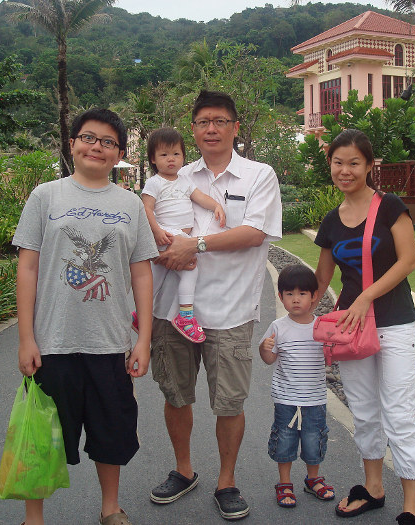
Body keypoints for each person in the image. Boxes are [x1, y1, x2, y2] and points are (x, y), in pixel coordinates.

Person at [12, 108, 159, 525]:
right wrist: (26, 337)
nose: (97, 146)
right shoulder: (46, 196)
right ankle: (34, 517)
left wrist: (143, 340)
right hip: (52, 341)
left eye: (108, 142)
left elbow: (142, 273)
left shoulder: (129, 204)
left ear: (118, 154)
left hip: (109, 342)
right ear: (73, 143)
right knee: (41, 434)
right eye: (89, 137)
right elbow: (27, 266)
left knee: (111, 431)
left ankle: (110, 508)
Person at [148, 90, 282, 521]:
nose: (211, 128)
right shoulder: (175, 175)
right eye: (204, 121)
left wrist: (195, 245)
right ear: (192, 128)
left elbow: (254, 233)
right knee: (175, 395)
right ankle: (184, 470)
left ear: (235, 127)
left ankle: (227, 480)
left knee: (229, 402)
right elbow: (148, 226)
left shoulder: (258, 175)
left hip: (230, 312)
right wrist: (164, 247)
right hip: (173, 310)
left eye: (220, 121)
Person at [314, 129, 415, 525]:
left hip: (393, 323)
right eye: (338, 162)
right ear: (329, 165)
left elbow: (407, 261)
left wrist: (364, 298)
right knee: (363, 411)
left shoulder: (391, 207)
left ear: (369, 166)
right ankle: (374, 487)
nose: (345, 171)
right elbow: (321, 281)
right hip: (350, 329)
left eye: (354, 163)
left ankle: (412, 505)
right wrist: (292, 315)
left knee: (399, 413)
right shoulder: (331, 221)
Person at [135, 127, 226, 343]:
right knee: (190, 270)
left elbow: (200, 197)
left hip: (175, 237)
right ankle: (185, 316)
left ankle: (140, 315)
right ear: (153, 159)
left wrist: (215, 206)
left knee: (155, 279)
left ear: (183, 157)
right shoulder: (154, 182)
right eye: (164, 155)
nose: (171, 160)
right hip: (168, 235)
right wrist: (157, 231)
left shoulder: (184, 181)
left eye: (176, 154)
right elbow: (146, 208)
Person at [258, 264, 335, 509]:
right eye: (289, 294)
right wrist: (264, 349)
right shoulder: (278, 327)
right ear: (280, 297)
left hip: (315, 399)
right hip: (286, 399)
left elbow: (330, 358)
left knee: (314, 440)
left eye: (302, 293)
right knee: (285, 440)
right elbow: (269, 359)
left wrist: (332, 347)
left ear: (313, 296)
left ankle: (313, 479)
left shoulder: (321, 326)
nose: (296, 299)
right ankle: (284, 482)